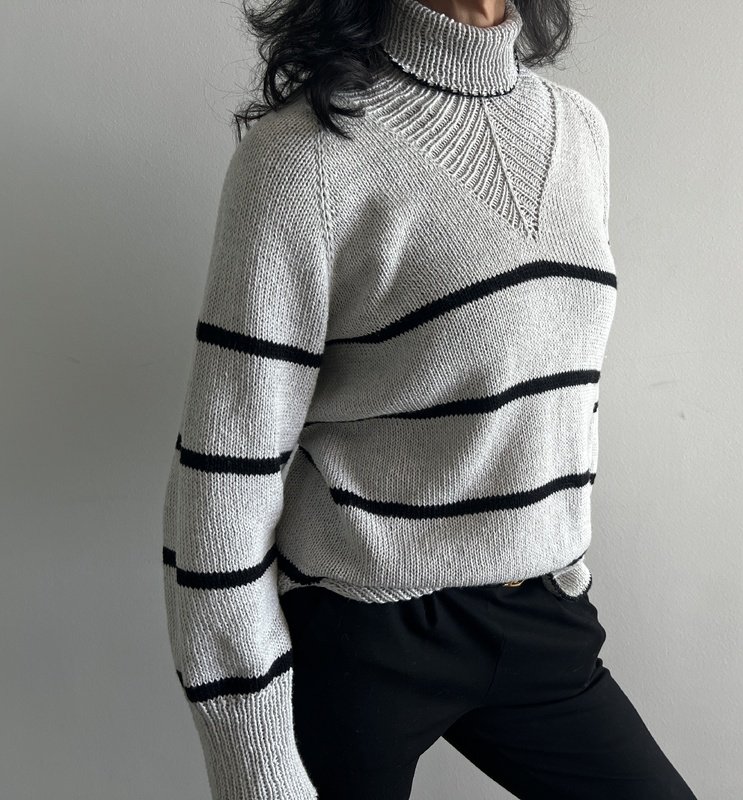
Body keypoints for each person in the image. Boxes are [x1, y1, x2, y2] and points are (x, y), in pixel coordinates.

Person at [161, 0, 697, 797]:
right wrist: (253, 760)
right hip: (364, 633)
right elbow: (223, 474)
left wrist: (559, 548)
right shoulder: (304, 156)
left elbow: (555, 381)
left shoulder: (579, 131)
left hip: (537, 613)